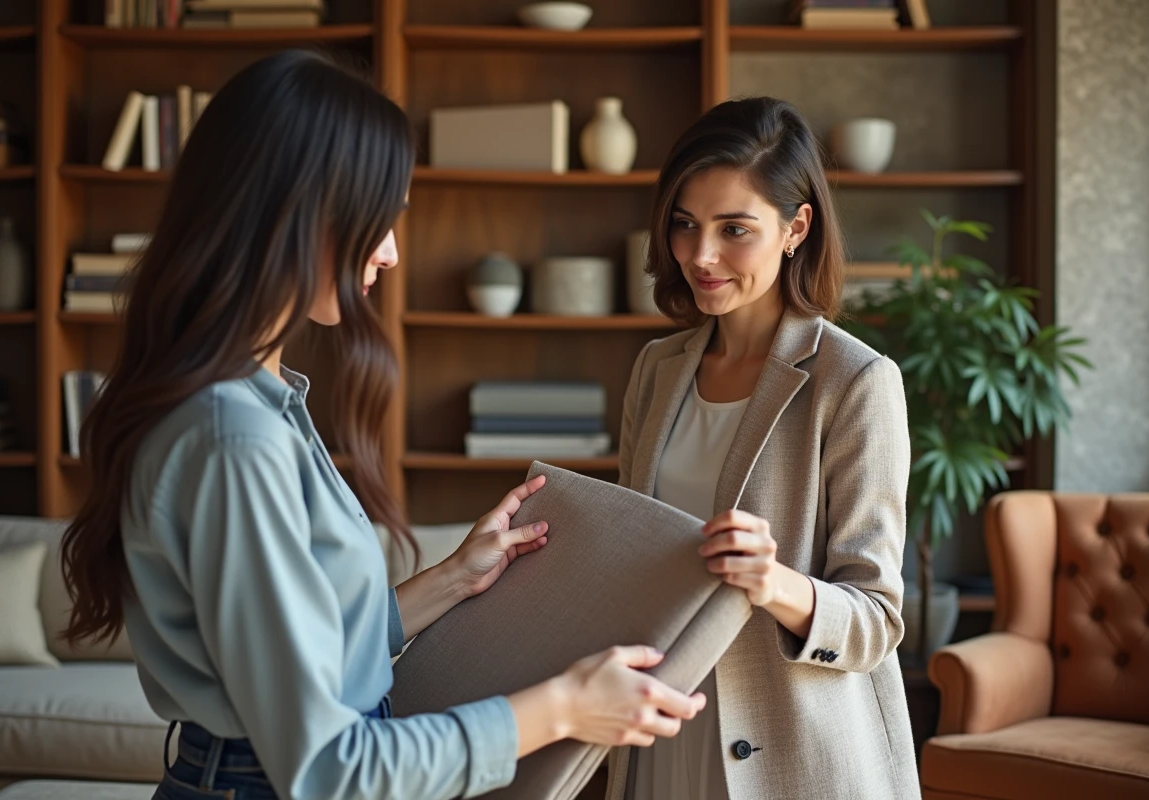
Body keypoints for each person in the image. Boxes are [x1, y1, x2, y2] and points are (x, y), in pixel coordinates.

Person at [59, 49, 705, 800]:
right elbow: (330, 764)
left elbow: (302, 651)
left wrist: (449, 582)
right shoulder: (232, 439)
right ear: (297, 213)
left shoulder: (257, 401)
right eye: (382, 217)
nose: (394, 251)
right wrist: (566, 707)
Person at [612, 96, 922, 800]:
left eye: (734, 229)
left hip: (795, 753)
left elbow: (877, 620)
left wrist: (773, 583)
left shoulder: (857, 381)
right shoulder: (657, 370)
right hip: (663, 728)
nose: (700, 255)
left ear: (796, 228)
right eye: (685, 225)